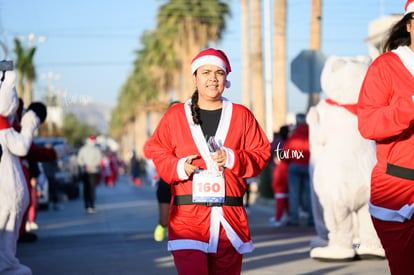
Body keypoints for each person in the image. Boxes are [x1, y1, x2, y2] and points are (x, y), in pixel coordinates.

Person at [143, 48, 270, 274]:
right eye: (206, 72)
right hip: (187, 220)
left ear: (226, 78)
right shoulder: (175, 116)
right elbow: (155, 149)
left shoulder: (242, 115)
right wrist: (179, 167)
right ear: (195, 77)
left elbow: (261, 152)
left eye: (219, 72)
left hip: (229, 219)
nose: (213, 78)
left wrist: (232, 157)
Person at [357, 1, 414, 273]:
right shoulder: (386, 66)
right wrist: (411, 105)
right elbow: (368, 125)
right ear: (409, 24)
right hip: (398, 189)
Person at [282, 113, 313, 226]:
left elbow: (286, 153)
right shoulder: (311, 134)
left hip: (294, 165)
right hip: (309, 165)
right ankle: (312, 219)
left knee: (294, 193)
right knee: (309, 194)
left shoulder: (293, 136)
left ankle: (294, 219)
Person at [269, 125, 290, 227]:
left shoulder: (279, 167)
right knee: (287, 202)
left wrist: (274, 184)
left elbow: (277, 179)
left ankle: (278, 219)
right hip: (285, 185)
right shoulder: (285, 165)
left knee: (280, 202)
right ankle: (289, 216)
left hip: (280, 186)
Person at [77, 136, 102, 213]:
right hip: (86, 171)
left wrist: (90, 166)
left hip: (93, 171)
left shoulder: (96, 150)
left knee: (91, 188)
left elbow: (98, 160)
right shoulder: (83, 149)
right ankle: (87, 204)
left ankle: (91, 204)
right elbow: (79, 159)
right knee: (87, 188)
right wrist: (85, 166)